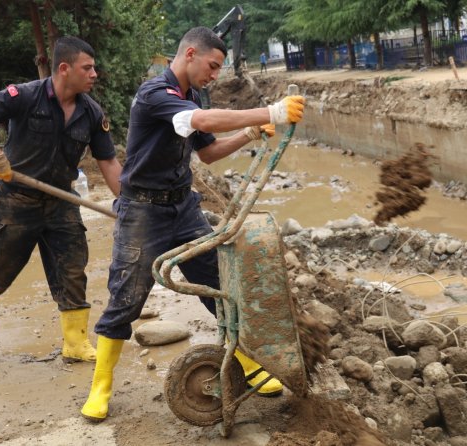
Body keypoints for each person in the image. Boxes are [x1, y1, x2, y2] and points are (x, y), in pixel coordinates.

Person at [80, 26, 304, 421]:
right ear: (189, 55)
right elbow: (199, 122)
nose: (215, 75)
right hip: (143, 212)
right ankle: (101, 387)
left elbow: (210, 153)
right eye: (213, 66)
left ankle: (248, 361)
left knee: (219, 284)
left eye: (219, 68)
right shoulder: (155, 94)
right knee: (126, 298)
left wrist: (250, 133)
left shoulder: (193, 94)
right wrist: (271, 112)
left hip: (183, 208)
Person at [0, 36, 123, 363]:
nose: (94, 74)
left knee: (72, 268)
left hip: (61, 202)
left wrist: (128, 205)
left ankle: (74, 341)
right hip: (15, 198)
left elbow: (109, 163)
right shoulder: (25, 96)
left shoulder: (91, 113)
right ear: (64, 69)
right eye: (87, 68)